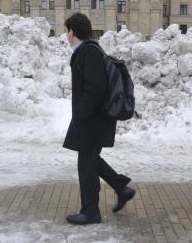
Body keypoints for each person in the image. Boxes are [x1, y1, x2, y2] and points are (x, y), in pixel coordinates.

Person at [63, 12, 135, 225]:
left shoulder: (88, 52)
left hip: (92, 120)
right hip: (93, 119)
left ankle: (91, 211)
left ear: (72, 32)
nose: (66, 36)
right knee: (90, 160)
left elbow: (96, 87)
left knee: (86, 165)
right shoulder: (89, 51)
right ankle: (121, 188)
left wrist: (81, 114)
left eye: (67, 32)